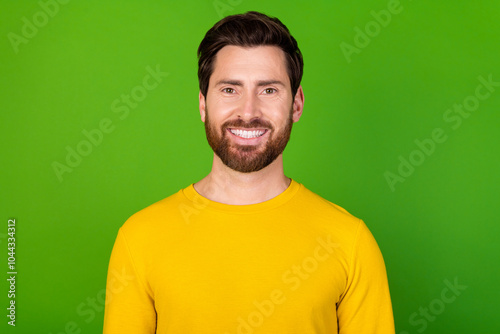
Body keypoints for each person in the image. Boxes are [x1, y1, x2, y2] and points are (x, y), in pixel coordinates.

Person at [103, 11, 395, 334]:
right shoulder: (140, 238)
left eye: (268, 90)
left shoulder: (351, 243)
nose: (248, 111)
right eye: (230, 90)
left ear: (296, 104)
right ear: (203, 104)